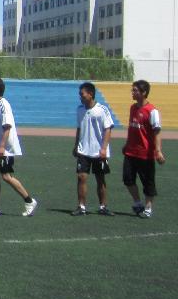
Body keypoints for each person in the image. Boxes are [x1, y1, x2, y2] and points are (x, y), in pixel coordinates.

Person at [0, 77, 37, 216]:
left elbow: (7, 126)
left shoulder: (4, 105)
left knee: (6, 176)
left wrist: (1, 146)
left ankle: (29, 201)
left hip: (5, 149)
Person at [122, 79, 166, 218]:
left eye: (135, 90)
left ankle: (148, 208)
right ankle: (137, 203)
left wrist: (158, 150)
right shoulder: (132, 108)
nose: (132, 92)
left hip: (145, 154)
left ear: (144, 92)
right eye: (132, 90)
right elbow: (132, 129)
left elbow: (157, 132)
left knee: (148, 182)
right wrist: (127, 144)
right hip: (130, 152)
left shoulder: (152, 111)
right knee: (127, 179)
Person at [71, 82, 114, 216]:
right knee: (81, 177)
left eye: (82, 94)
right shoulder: (80, 109)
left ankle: (103, 206)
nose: (80, 97)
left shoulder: (102, 110)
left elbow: (108, 129)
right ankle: (81, 207)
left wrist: (104, 149)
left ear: (90, 94)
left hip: (98, 152)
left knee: (100, 179)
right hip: (83, 150)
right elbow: (79, 128)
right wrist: (76, 145)